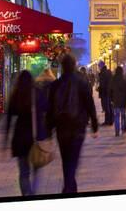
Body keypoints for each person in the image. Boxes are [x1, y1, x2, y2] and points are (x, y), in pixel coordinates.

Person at [47, 54, 98, 193]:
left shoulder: (55, 85)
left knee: (66, 160)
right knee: (73, 160)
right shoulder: (82, 83)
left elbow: (50, 109)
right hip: (77, 127)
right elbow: (89, 104)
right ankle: (69, 187)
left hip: (61, 128)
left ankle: (69, 187)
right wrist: (94, 125)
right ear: (74, 65)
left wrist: (48, 129)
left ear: (62, 67)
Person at [4, 70, 49, 196]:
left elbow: (8, 119)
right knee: (37, 170)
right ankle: (33, 193)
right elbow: (47, 108)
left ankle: (26, 194)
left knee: (24, 173)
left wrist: (5, 141)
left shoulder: (16, 94)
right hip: (35, 138)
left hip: (20, 138)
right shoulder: (37, 93)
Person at [110, 66, 126, 136]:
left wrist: (111, 99)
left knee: (116, 116)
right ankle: (123, 129)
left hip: (116, 101)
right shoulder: (124, 81)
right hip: (123, 102)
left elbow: (110, 91)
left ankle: (117, 131)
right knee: (123, 116)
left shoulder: (113, 80)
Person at [97, 61, 113, 125]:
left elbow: (103, 84)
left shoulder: (103, 73)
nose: (98, 67)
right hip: (109, 92)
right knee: (109, 106)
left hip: (105, 92)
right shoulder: (108, 72)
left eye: (99, 66)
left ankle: (107, 121)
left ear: (101, 66)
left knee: (106, 107)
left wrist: (99, 89)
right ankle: (111, 120)